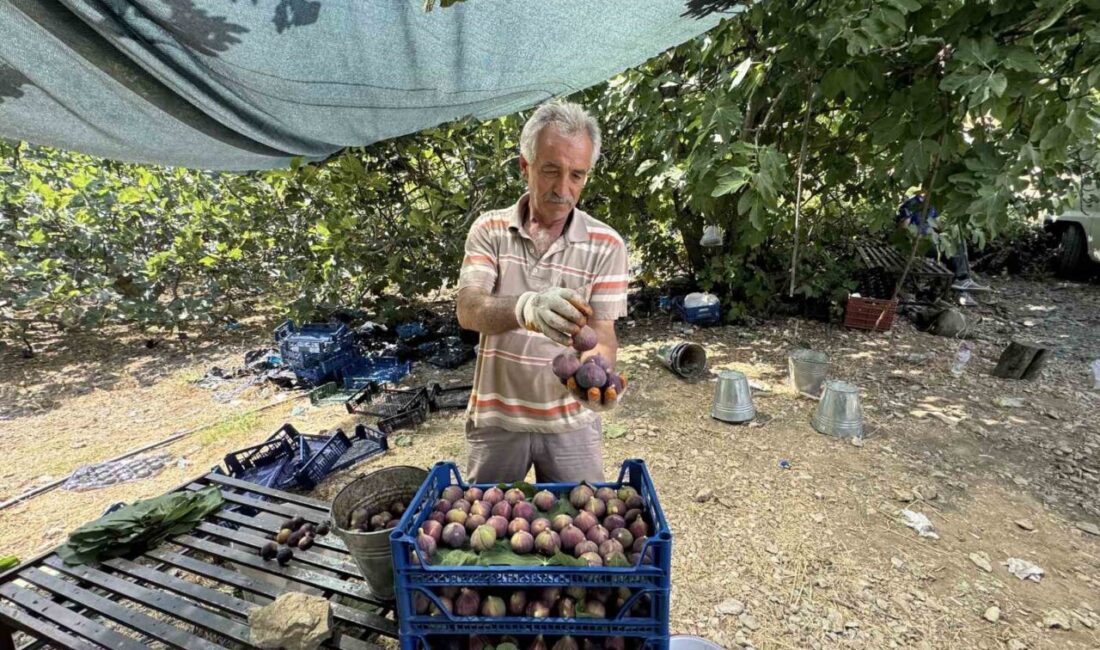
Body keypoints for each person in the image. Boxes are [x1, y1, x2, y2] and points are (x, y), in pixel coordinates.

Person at [455, 101, 628, 484]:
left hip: (571, 425)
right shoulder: (490, 230)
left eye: (577, 175)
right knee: (487, 518)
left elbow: (602, 335)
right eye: (551, 170)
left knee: (581, 517)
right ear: (525, 166)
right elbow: (468, 308)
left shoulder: (607, 245)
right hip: (498, 422)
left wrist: (595, 375)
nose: (564, 189)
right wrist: (526, 308)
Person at [896, 195, 989, 306]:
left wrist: (950, 229)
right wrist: (914, 238)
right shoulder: (912, 203)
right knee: (953, 249)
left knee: (957, 243)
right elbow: (903, 230)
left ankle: (962, 288)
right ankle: (962, 284)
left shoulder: (933, 203)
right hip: (917, 244)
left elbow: (937, 225)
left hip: (930, 240)